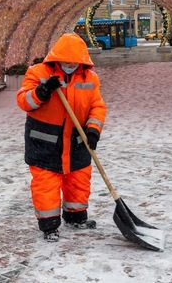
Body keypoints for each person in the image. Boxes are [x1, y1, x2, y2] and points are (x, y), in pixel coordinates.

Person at [16, 33, 107, 242]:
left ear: (81, 61)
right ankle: (49, 225)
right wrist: (42, 91)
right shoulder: (38, 73)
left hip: (78, 141)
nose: (69, 65)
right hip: (45, 142)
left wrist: (93, 129)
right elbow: (23, 101)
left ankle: (76, 217)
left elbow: (97, 106)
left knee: (78, 180)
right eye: (65, 60)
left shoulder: (90, 78)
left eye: (73, 62)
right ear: (56, 57)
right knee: (46, 185)